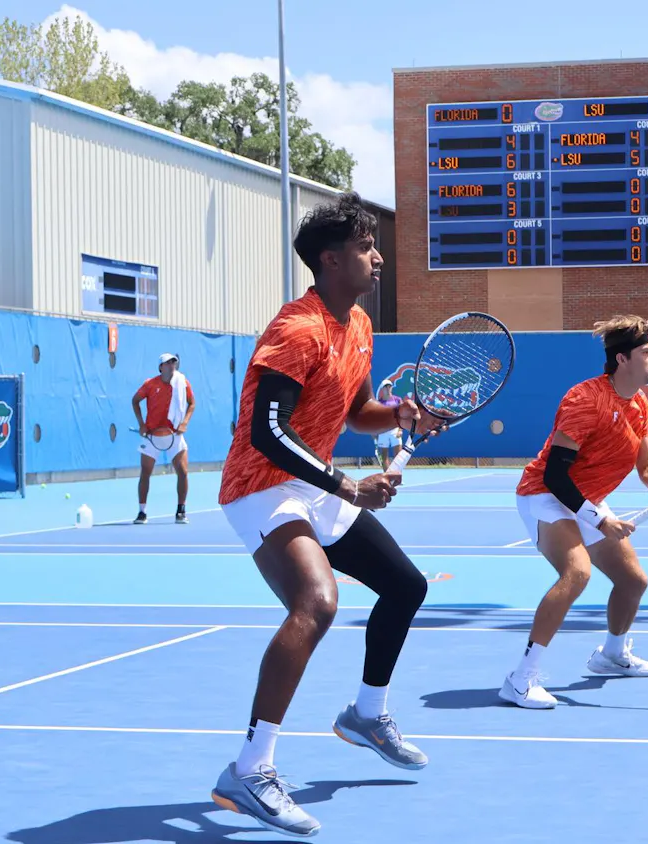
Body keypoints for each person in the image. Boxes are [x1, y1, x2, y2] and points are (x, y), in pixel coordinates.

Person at [210, 192, 446, 837]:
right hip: (262, 484)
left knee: (405, 586)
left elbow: (356, 412)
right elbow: (265, 431)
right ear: (332, 260)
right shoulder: (297, 328)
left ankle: (366, 715)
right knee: (317, 603)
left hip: (311, 484)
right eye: (368, 248)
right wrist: (346, 484)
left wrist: (403, 417)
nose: (377, 257)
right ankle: (251, 770)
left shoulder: (359, 327)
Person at [500, 315, 648, 709]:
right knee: (577, 572)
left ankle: (610, 655)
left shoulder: (639, 405)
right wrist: (599, 519)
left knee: (633, 581)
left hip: (587, 496)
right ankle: (520, 679)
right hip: (545, 494)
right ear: (622, 360)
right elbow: (554, 474)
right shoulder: (585, 400)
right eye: (647, 352)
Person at [131, 352, 196, 524]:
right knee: (145, 473)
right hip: (152, 436)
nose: (171, 366)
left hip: (175, 436)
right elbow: (135, 401)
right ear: (161, 367)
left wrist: (185, 423)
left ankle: (181, 511)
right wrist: (141, 424)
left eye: (173, 363)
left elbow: (192, 403)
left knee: (183, 472)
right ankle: (142, 512)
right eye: (168, 363)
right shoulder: (150, 384)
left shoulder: (182, 384)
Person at [373, 378, 403, 466]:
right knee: (384, 457)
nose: (388, 389)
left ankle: (396, 476)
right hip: (383, 431)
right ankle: (387, 477)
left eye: (389, 387)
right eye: (386, 387)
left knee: (398, 457)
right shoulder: (378, 403)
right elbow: (376, 419)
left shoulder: (398, 400)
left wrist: (400, 430)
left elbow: (402, 416)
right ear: (382, 389)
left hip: (395, 430)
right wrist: (374, 432)